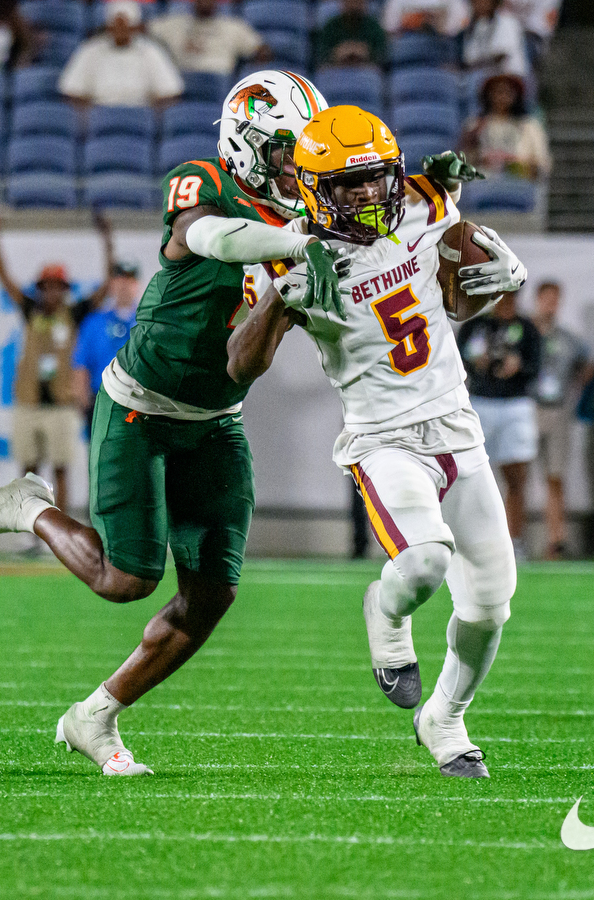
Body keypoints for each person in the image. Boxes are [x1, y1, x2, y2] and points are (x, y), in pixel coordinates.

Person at [0, 71, 353, 777]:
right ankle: (27, 508)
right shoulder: (205, 181)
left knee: (213, 594)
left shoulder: (299, 217)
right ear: (248, 141)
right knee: (126, 578)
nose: (295, 165)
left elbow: (246, 364)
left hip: (217, 418)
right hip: (141, 404)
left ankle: (95, 714)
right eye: (285, 150)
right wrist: (294, 241)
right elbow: (209, 236)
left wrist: (300, 291)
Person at [228, 105, 525, 777]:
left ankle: (444, 719)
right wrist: (279, 301)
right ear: (312, 189)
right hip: (382, 438)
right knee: (423, 562)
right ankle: (384, 614)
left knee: (491, 604)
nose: (366, 193)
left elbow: (446, 304)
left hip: (457, 428)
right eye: (347, 183)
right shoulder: (289, 249)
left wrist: (497, 286)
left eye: (374, 178)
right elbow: (240, 366)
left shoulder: (425, 202)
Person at [0, 206, 115, 521]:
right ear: (40, 288)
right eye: (47, 286)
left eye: (58, 286)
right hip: (29, 401)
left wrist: (107, 241)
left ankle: (60, 529)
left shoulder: (74, 314)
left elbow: (107, 286)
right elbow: (5, 279)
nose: (52, 292)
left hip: (60, 402)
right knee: (28, 470)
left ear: (64, 289)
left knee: (60, 470)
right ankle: (29, 529)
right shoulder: (31, 309)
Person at [458, 291, 540, 556]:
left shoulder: (527, 328)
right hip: (481, 399)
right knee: (471, 474)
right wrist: (475, 364)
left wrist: (519, 366)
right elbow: (457, 361)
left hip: (515, 402)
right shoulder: (475, 326)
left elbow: (535, 367)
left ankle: (514, 540)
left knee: (516, 476)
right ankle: (472, 539)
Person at [530, 280, 589, 560]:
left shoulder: (568, 339)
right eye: (546, 298)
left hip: (557, 409)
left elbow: (585, 366)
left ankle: (556, 539)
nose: (550, 305)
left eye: (556, 299)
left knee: (555, 476)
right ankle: (510, 536)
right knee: (514, 477)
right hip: (527, 407)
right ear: (537, 300)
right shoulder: (525, 332)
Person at [58, 0, 183, 111]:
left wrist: (149, 118)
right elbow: (72, 92)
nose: (120, 30)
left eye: (125, 25)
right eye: (117, 25)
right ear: (109, 26)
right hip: (99, 116)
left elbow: (170, 92)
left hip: (140, 116)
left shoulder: (151, 51)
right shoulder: (90, 50)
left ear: (134, 27)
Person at [71, 258, 142, 429]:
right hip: (102, 400)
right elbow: (80, 363)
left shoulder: (148, 323)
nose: (124, 285)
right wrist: (83, 399)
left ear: (137, 285)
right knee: (101, 453)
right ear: (111, 284)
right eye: (119, 279)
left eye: (129, 279)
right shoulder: (94, 322)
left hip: (140, 402)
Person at [459, 73, 550, 180]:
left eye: (507, 92)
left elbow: (543, 163)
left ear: (516, 95)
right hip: (483, 183)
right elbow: (462, 162)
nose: (502, 96)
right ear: (487, 95)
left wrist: (515, 162)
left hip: (519, 182)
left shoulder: (530, 126)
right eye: (497, 92)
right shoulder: (474, 124)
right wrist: (481, 156)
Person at [149, 0, 269, 77]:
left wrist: (244, 73)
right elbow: (143, 29)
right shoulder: (174, 23)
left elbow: (262, 51)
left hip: (219, 79)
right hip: (182, 79)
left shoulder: (233, 26)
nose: (205, 2)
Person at [460, 0, 529, 80]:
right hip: (485, 78)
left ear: (494, 3)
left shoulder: (508, 21)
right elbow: (469, 60)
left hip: (512, 77)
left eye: (484, 2)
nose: (480, 5)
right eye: (476, 2)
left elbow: (501, 56)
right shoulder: (477, 26)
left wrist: (476, 65)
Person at [316, 0, 388, 68]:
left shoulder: (374, 26)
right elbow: (321, 55)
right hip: (337, 71)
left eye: (358, 1)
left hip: (365, 70)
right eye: (351, 1)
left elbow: (382, 55)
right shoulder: (331, 26)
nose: (354, 5)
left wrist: (366, 52)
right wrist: (337, 53)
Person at [381, 0, 469, 36]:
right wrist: (410, 22)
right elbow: (388, 26)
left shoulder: (455, 2)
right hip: (408, 51)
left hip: (442, 50)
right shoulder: (396, 2)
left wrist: (438, 23)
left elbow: (462, 25)